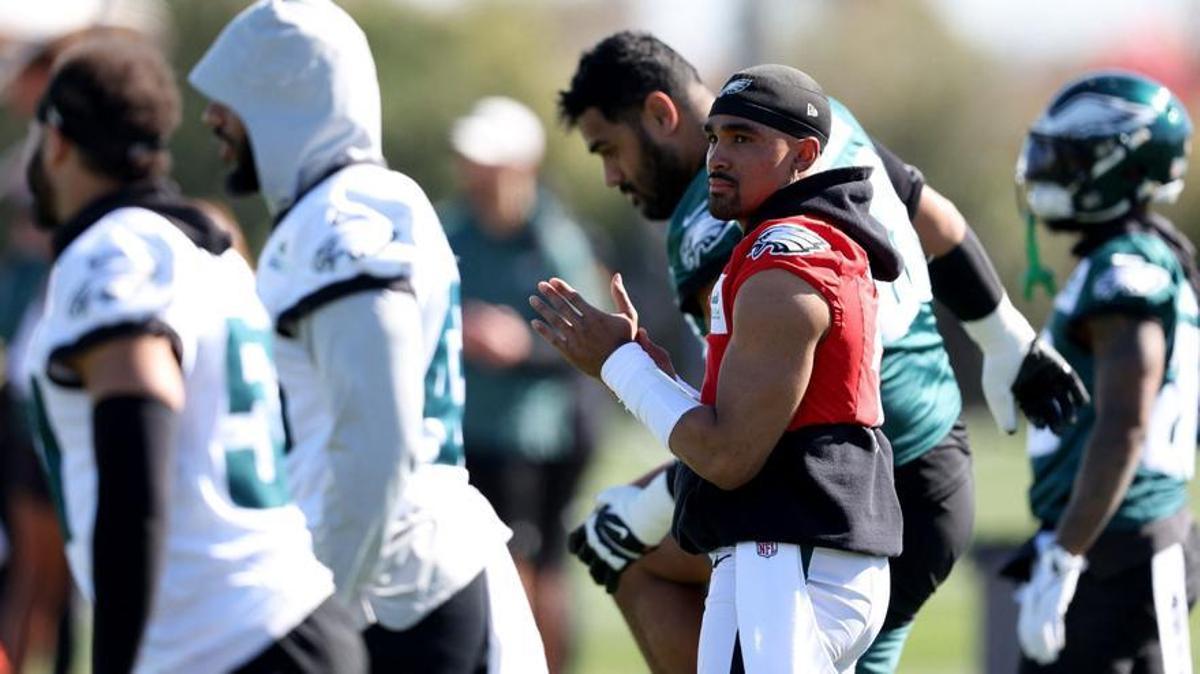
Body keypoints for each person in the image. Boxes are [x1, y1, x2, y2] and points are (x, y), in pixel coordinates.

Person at [555, 31, 1087, 673]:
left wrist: (639, 479)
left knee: (634, 557)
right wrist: (1005, 337)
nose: (612, 176)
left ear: (662, 116)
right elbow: (933, 216)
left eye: (609, 150)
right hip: (916, 461)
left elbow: (741, 435)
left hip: (832, 497)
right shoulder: (812, 124)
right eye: (720, 138)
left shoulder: (721, 219)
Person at [189, 2, 547, 672]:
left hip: (394, 593)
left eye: (232, 99)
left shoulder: (344, 218)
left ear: (284, 96)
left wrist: (322, 603)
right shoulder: (339, 209)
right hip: (392, 581)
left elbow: (377, 439)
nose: (214, 118)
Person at [534, 64, 905, 673]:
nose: (717, 156)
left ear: (803, 155)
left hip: (787, 553)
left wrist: (619, 365)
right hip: (784, 549)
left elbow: (729, 457)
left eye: (743, 139)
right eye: (713, 137)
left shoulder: (782, 258)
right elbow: (753, 420)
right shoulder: (783, 246)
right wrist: (650, 370)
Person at [23, 35, 364, 673]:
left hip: (228, 644)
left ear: (60, 140)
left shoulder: (115, 251)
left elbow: (135, 457)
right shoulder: (206, 252)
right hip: (281, 626)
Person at [1005, 70, 1200, 673]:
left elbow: (1125, 422)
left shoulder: (1127, 267)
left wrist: (1065, 556)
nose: (1046, 169)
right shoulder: (1136, 255)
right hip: (1102, 542)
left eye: (1066, 155)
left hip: (1120, 549)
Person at [444, 95, 603, 673]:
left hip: (537, 438)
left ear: (521, 167)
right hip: (467, 431)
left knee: (535, 571)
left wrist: (522, 345)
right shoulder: (450, 228)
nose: (474, 172)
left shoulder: (553, 239)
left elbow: (593, 340)